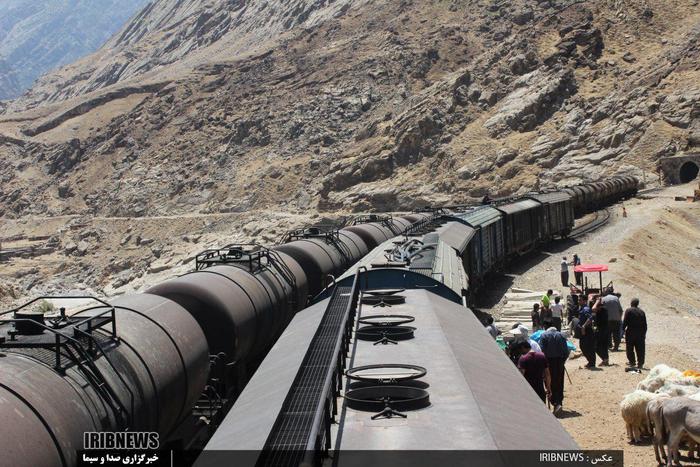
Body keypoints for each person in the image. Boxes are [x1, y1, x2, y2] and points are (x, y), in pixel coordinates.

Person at [539, 327, 570, 415]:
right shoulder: (561, 335)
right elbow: (566, 351)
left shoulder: (544, 335)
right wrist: (562, 361)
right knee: (559, 382)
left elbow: (542, 350)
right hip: (559, 361)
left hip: (548, 362)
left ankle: (554, 402)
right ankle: (559, 402)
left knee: (549, 382)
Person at [622, 298, 647, 369]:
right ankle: (640, 363)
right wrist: (644, 333)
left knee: (630, 348)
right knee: (640, 349)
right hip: (640, 333)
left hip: (630, 332)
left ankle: (632, 362)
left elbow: (625, 322)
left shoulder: (628, 310)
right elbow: (645, 324)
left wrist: (622, 331)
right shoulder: (642, 312)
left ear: (631, 303)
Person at [577, 300, 596, 368]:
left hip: (587, 330)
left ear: (584, 301)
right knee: (583, 346)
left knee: (587, 346)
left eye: (580, 300)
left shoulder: (586, 309)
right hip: (584, 330)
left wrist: (583, 326)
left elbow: (590, 318)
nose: (579, 301)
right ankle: (591, 362)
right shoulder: (581, 309)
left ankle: (592, 362)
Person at [592, 296, 609, 366]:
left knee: (596, 346)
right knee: (604, 346)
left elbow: (593, 309)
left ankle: (605, 359)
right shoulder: (604, 309)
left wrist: (597, 301)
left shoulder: (601, 310)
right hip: (604, 330)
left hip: (601, 330)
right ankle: (606, 360)